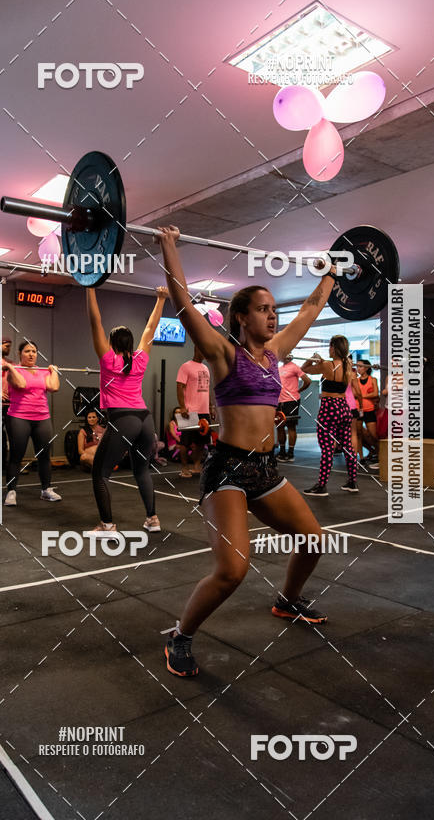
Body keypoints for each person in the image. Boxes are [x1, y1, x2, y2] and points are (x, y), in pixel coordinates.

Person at [157, 225, 339, 677]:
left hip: (265, 468)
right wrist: (168, 246)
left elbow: (313, 308)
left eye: (274, 310)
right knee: (233, 571)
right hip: (228, 472)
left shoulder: (276, 353)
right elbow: (182, 303)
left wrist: (332, 274)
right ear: (241, 317)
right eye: (263, 310)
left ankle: (287, 599)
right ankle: (181, 637)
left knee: (314, 540)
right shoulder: (222, 352)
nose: (273, 317)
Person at [86, 285, 168, 534]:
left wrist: (89, 288)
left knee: (100, 475)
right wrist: (161, 299)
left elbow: (95, 321)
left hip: (123, 419)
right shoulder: (141, 358)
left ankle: (107, 525)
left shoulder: (109, 359)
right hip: (145, 419)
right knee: (141, 469)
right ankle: (152, 519)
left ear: (111, 343)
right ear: (131, 343)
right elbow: (151, 328)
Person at [3, 341, 61, 506]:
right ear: (20, 354)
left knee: (44, 456)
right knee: (16, 456)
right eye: (27, 351)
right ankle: (11, 491)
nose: (31, 354)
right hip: (19, 417)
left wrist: (54, 371)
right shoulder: (13, 372)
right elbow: (21, 384)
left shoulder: (43, 372)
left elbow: (54, 387)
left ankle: (46, 490)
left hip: (42, 418)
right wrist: (11, 367)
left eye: (34, 351)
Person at [301, 337, 358, 496]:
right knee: (347, 446)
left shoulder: (327, 365)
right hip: (344, 408)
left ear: (333, 347)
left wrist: (312, 358)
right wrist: (321, 360)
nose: (328, 348)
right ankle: (352, 482)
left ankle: (321, 486)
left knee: (327, 448)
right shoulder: (349, 365)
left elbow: (304, 368)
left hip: (329, 408)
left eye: (330, 346)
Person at [176, 346, 215, 477]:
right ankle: (184, 468)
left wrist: (211, 407)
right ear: (196, 349)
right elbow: (179, 386)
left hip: (204, 411)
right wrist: (182, 406)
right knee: (185, 443)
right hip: (190, 410)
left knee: (202, 442)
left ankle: (196, 466)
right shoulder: (186, 366)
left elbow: (207, 390)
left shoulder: (206, 368)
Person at [276, 353, 310, 461]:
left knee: (291, 426)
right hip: (279, 401)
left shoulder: (294, 367)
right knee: (280, 426)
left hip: (292, 401)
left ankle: (290, 453)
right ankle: (282, 452)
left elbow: (307, 381)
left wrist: (299, 390)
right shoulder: (279, 368)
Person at [356, 360, 380, 464]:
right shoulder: (355, 381)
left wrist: (361, 396)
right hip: (358, 410)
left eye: (360, 366)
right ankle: (362, 457)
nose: (358, 368)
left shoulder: (373, 379)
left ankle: (380, 454)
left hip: (369, 410)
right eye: (357, 366)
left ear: (366, 368)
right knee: (359, 434)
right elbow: (353, 394)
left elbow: (375, 393)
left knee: (373, 435)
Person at [1, 337, 14, 472]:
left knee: (14, 435)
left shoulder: (12, 364)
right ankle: (0, 466)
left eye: (9, 346)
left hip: (11, 405)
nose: (8, 348)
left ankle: (11, 465)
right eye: (6, 346)